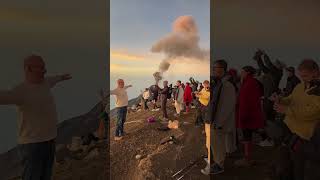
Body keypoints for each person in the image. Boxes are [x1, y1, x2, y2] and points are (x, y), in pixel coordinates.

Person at [0, 55, 72, 180]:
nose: (45, 71)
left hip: (50, 140)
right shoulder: (20, 91)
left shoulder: (45, 82)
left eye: (44, 67)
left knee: (46, 175)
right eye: (41, 68)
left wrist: (61, 77)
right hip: (32, 145)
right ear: (28, 69)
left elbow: (53, 79)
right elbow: (4, 96)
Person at [271, 59, 320, 180]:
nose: (303, 78)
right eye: (301, 75)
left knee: (301, 168)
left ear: (315, 72)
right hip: (291, 132)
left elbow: (312, 113)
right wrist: (281, 99)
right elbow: (292, 99)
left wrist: (286, 110)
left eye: (305, 76)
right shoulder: (300, 86)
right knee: (288, 165)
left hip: (306, 136)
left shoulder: (318, 90)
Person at [201, 59, 236, 175]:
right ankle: (218, 162)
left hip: (219, 122)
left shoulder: (227, 85)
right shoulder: (220, 83)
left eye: (215, 68)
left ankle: (220, 165)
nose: (213, 70)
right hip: (215, 120)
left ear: (222, 70)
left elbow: (227, 106)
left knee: (218, 143)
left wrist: (219, 122)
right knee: (216, 143)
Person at [234, 66, 264, 167]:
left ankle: (247, 159)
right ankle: (247, 158)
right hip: (250, 114)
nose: (241, 73)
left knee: (247, 137)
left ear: (247, 72)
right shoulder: (251, 82)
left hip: (247, 115)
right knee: (248, 136)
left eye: (242, 72)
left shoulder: (249, 83)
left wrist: (242, 116)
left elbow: (245, 102)